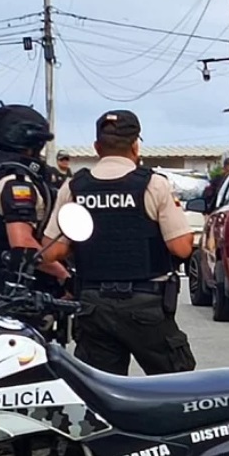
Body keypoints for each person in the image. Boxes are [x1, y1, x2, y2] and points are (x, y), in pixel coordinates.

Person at [41, 110, 196, 375]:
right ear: (135, 146)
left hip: (93, 306)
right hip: (145, 303)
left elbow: (51, 251)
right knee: (174, 385)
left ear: (97, 147)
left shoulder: (74, 187)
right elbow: (180, 248)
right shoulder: (154, 184)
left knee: (99, 389)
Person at [0, 104, 72, 296]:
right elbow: (23, 245)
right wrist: (65, 276)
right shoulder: (16, 183)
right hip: (25, 293)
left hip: (4, 287)